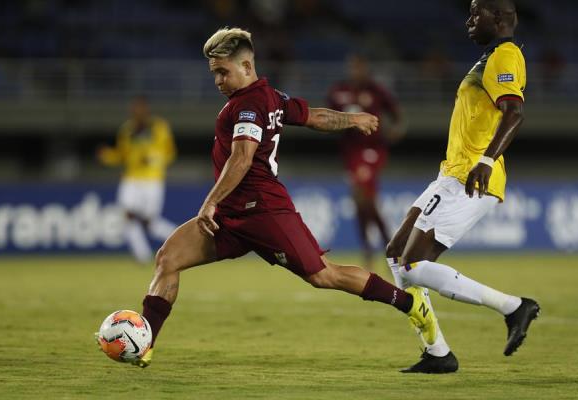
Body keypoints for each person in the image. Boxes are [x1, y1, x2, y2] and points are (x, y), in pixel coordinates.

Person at [125, 27, 437, 368]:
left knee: (324, 276)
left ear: (246, 66)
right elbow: (314, 116)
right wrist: (353, 119)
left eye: (222, 72)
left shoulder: (249, 105)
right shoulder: (271, 97)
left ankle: (409, 303)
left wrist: (209, 202)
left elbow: (242, 157)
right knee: (168, 258)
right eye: (214, 72)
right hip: (230, 216)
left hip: (264, 212)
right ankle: (144, 343)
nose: (217, 80)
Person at [385, 0, 540, 373]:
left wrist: (486, 161)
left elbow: (515, 113)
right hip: (451, 173)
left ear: (500, 18)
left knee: (414, 262)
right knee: (396, 256)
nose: (469, 20)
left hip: (469, 176)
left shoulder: (504, 55)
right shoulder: (487, 59)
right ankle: (437, 352)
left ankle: (514, 307)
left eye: (476, 13)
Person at [328, 54, 405, 270]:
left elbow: (396, 114)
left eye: (359, 68)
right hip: (350, 152)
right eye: (352, 68)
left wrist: (394, 131)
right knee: (362, 202)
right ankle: (387, 248)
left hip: (372, 150)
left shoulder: (375, 90)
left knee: (362, 195)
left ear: (365, 70)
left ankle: (381, 249)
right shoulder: (339, 91)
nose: (355, 73)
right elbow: (327, 116)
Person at [97, 96, 177, 264]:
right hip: (131, 179)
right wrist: (108, 156)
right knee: (127, 216)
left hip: (152, 180)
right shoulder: (126, 130)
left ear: (146, 110)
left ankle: (183, 237)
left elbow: (169, 153)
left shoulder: (159, 128)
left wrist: (152, 158)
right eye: (134, 109)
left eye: (140, 108)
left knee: (150, 224)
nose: (136, 112)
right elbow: (122, 155)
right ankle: (143, 256)